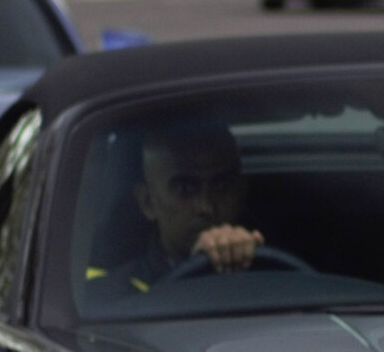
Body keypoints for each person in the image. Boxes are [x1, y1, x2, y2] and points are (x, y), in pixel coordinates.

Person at [98, 122, 266, 292]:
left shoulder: (274, 276)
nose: (206, 207)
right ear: (148, 203)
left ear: (241, 192)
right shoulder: (113, 295)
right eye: (185, 189)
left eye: (221, 186)